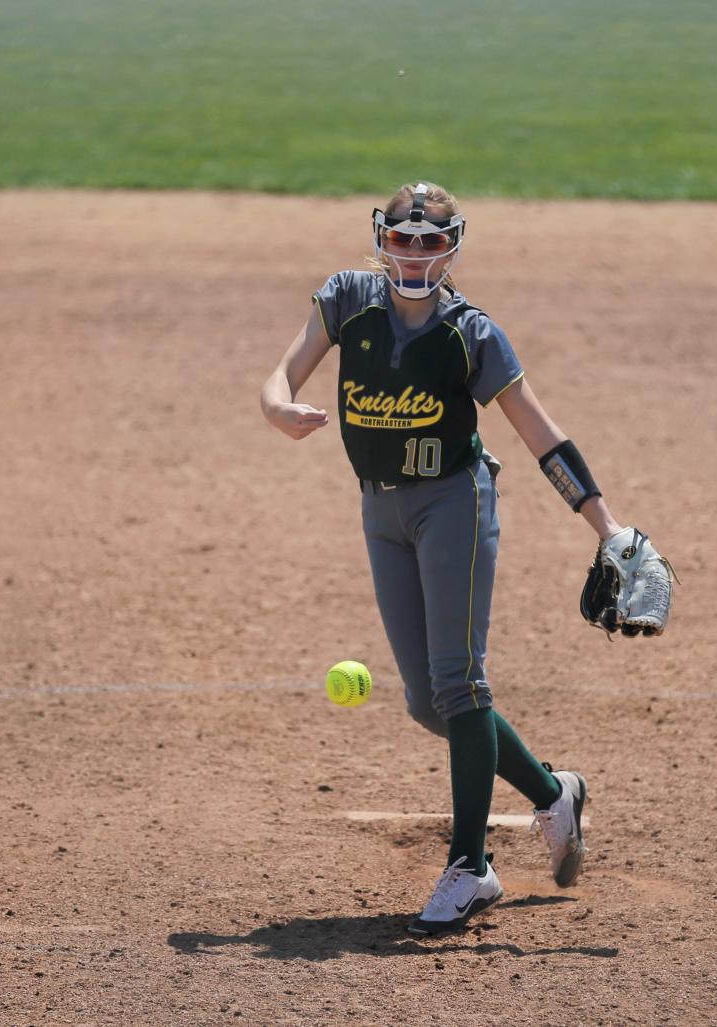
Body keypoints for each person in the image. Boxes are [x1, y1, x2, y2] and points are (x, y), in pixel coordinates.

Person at [262, 182, 670, 937]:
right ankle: (554, 791)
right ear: (381, 236)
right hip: (380, 509)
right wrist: (280, 406)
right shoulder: (347, 300)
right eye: (403, 237)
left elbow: (540, 435)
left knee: (460, 680)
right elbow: (280, 376)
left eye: (430, 240)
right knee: (428, 701)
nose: (414, 252)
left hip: (455, 504)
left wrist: (607, 527)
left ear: (452, 247)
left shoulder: (471, 334)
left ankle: (470, 866)